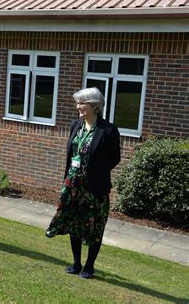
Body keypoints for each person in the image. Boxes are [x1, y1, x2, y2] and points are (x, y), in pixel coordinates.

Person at [45, 87, 121, 279]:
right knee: (74, 224)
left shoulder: (108, 130)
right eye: (77, 103)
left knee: (94, 227)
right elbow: (72, 155)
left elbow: (115, 158)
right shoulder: (75, 125)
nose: (78, 107)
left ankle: (89, 266)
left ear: (95, 106)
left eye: (82, 103)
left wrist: (95, 171)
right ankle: (76, 263)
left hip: (95, 188)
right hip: (73, 185)